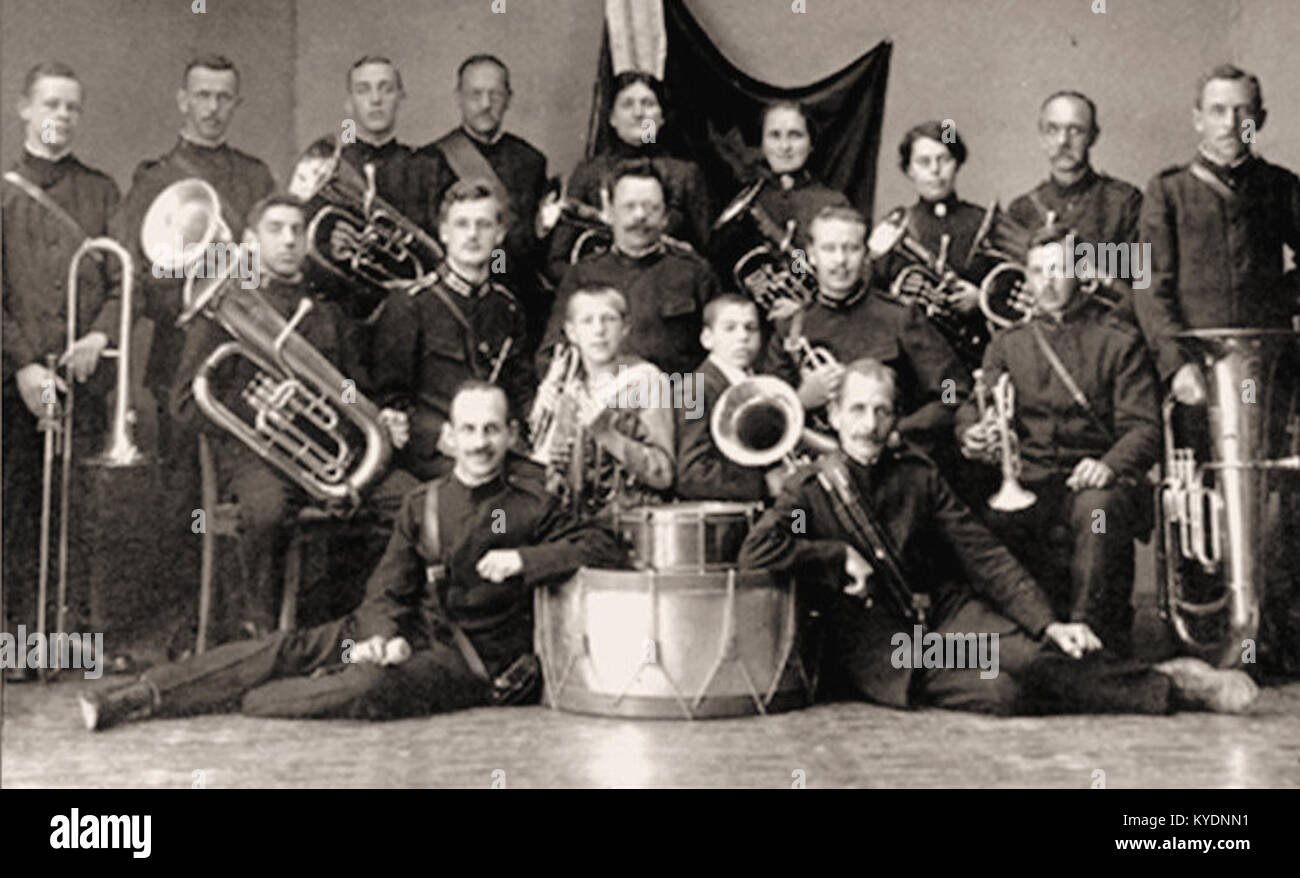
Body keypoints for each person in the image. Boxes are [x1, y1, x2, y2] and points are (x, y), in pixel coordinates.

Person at [78, 380, 627, 731]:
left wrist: (525, 562)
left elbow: (604, 544)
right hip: (406, 632)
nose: (481, 442)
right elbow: (387, 588)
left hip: (466, 662)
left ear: (510, 435)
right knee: (285, 644)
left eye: (491, 430)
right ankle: (139, 696)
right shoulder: (424, 502)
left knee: (369, 686)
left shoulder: (534, 502)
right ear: (451, 438)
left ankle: (245, 700)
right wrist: (378, 636)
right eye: (469, 430)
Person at [738, 357, 1258, 716]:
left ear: (895, 416)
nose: (869, 424)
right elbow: (753, 554)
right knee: (1007, 697)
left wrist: (1048, 622)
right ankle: (1146, 676)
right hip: (895, 649)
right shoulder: (809, 489)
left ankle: (1175, 687)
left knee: (1033, 657)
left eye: (881, 410)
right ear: (832, 415)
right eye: (856, 410)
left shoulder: (916, 473)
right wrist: (836, 554)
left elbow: (983, 554)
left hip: (942, 613)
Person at [170, 194, 409, 641]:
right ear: (248, 241)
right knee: (267, 511)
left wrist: (381, 417)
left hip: (329, 455)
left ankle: (376, 624)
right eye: (275, 229)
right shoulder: (218, 316)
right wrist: (259, 409)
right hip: (257, 459)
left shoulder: (328, 313)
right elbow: (184, 404)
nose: (289, 240)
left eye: (297, 231)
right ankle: (261, 632)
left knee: (411, 500)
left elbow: (354, 388)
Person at [1134, 64, 1300, 671]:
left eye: (1243, 111)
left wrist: (1282, 303)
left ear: (1260, 118)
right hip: (1198, 377)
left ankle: (1272, 636)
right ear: (1196, 117)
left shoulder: (1282, 186)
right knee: (1202, 499)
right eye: (1219, 110)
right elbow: (1150, 287)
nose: (1232, 123)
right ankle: (1206, 629)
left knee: (1275, 501)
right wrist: (1177, 366)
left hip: (1271, 374)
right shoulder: (1168, 189)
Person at [955, 227, 1160, 654]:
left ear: (1080, 273)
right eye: (1037, 271)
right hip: (1030, 480)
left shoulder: (1119, 341)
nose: (1046, 281)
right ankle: (1018, 642)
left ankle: (1088, 632)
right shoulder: (1008, 344)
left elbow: (1144, 427)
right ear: (1025, 278)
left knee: (1097, 513)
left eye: (1058, 269)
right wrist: (972, 431)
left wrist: (1109, 465)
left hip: (1094, 482)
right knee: (979, 516)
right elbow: (974, 402)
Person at [2, 62, 122, 677]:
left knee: (80, 516)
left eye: (73, 107)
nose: (62, 116)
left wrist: (100, 334)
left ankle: (69, 641)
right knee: (16, 512)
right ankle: (18, 645)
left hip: (83, 382)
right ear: (24, 108)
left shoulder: (101, 192)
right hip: (11, 384)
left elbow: (126, 278)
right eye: (50, 103)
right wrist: (23, 367)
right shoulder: (1, 190)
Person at [111, 54, 275, 461]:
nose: (213, 108)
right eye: (203, 96)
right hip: (179, 348)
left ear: (237, 103)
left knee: (246, 465)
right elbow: (140, 268)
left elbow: (262, 255)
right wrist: (193, 296)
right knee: (183, 479)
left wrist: (243, 288)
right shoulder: (155, 177)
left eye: (224, 97)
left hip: (244, 345)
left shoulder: (255, 175)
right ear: (183, 100)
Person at [768, 206, 970, 463]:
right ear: (812, 255)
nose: (840, 260)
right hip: (819, 474)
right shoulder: (792, 326)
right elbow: (768, 415)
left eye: (851, 248)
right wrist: (801, 399)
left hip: (894, 464)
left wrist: (897, 433)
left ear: (865, 255)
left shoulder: (900, 317)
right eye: (829, 249)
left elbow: (951, 390)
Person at [370, 179, 534, 481]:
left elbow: (521, 388)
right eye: (462, 224)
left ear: (499, 235)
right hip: (437, 454)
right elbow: (390, 400)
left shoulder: (507, 307)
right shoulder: (410, 305)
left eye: (483, 225)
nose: (472, 235)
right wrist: (436, 435)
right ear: (444, 232)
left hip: (495, 448)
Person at [540, 160, 719, 378]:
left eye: (651, 207)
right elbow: (552, 354)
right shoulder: (582, 275)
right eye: (629, 206)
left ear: (665, 217)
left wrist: (689, 410)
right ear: (610, 211)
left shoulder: (695, 273)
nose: (640, 216)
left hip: (677, 404)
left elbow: (718, 358)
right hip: (605, 403)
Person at [421, 54, 549, 353]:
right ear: (459, 98)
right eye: (475, 94)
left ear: (509, 99)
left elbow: (535, 243)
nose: (485, 103)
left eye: (495, 94)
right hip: (453, 301)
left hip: (517, 299)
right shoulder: (429, 161)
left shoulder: (531, 161)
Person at [546, 71, 710, 279]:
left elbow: (705, 253)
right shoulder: (589, 172)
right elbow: (557, 260)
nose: (638, 113)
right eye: (627, 104)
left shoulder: (686, 174)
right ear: (612, 118)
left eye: (648, 103)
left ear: (661, 118)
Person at [536, 286, 675, 518]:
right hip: (574, 522)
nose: (599, 330)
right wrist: (556, 464)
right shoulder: (570, 387)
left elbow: (663, 475)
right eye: (587, 321)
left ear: (625, 328)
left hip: (631, 520)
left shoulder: (645, 380)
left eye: (608, 319)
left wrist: (607, 434)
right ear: (571, 332)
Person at [1006, 91, 1144, 322]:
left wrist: (1101, 280)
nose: (1063, 141)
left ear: (1093, 136)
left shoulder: (1126, 202)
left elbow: (1146, 288)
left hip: (1109, 342)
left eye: (1075, 130)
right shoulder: (1022, 210)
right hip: (1042, 345)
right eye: (1053, 130)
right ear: (1041, 136)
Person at [867, 121, 992, 351]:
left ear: (957, 164)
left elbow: (1010, 289)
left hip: (974, 348)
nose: (935, 170)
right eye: (924, 162)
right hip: (911, 353)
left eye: (944, 159)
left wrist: (981, 299)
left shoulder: (984, 222)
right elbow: (873, 294)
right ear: (909, 170)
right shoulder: (896, 226)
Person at [711, 100, 850, 270]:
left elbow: (827, 267)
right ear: (762, 144)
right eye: (774, 135)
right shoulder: (749, 197)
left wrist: (777, 235)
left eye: (795, 135)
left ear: (811, 144)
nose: (784, 147)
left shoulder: (833, 203)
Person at [676, 294, 773, 501]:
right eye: (730, 328)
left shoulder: (758, 383)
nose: (742, 336)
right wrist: (762, 484)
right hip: (724, 518)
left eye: (751, 328)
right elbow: (691, 474)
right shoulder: (694, 390)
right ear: (707, 339)